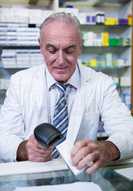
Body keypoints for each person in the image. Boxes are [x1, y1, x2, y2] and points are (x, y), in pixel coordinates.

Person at [0, 12, 133, 174]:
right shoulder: (20, 82)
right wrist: (24, 149)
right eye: (52, 50)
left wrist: (107, 149)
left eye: (69, 50)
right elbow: (3, 136)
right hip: (32, 174)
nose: (61, 60)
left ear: (80, 47)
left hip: (82, 176)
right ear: (40, 47)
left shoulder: (101, 83)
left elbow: (128, 131)